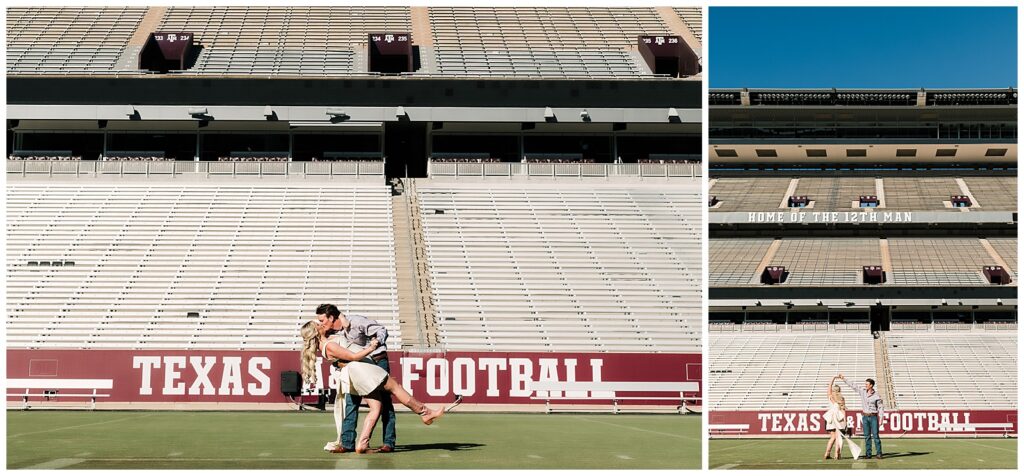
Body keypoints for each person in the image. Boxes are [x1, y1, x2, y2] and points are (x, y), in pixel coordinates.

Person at [300, 320, 444, 454]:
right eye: (318, 324)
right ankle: (425, 413)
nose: (321, 323)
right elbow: (354, 356)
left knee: (376, 407)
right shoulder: (329, 345)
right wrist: (372, 347)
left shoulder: (327, 342)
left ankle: (362, 443)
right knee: (395, 387)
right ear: (316, 331)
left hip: (357, 372)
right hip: (362, 369)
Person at [316, 304, 398, 453]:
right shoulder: (332, 332)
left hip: (377, 361)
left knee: (385, 403)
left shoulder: (356, 322)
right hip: (357, 366)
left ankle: (388, 442)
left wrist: (376, 343)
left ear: (331, 317)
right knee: (351, 402)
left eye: (322, 320)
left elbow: (381, 330)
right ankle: (347, 444)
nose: (321, 324)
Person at [840, 373, 884, 460]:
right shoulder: (863, 392)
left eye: (867, 384)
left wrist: (881, 418)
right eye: (865, 384)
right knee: (867, 436)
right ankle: (868, 454)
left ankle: (879, 453)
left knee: (876, 436)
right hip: (865, 417)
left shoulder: (877, 396)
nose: (865, 385)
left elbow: (881, 407)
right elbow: (854, 386)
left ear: (871, 385)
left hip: (873, 417)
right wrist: (844, 379)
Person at [823, 376, 847, 460]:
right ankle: (837, 454)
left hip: (831, 418)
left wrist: (833, 378)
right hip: (839, 418)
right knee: (839, 437)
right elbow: (843, 411)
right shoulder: (841, 398)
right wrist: (845, 422)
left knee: (832, 437)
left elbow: (829, 386)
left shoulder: (830, 397)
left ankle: (827, 453)